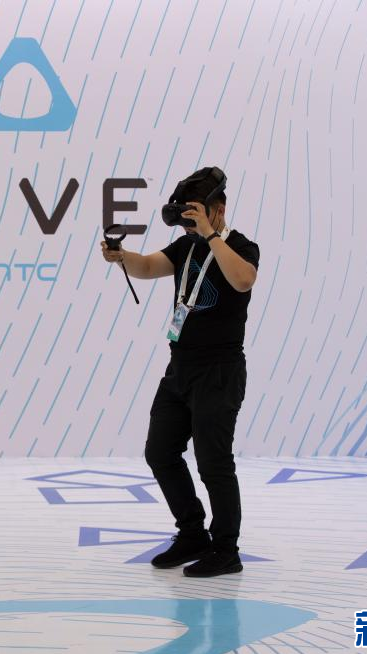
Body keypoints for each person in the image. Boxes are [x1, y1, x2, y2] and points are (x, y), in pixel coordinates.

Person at [100, 167, 259, 578]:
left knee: (213, 462)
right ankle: (192, 533)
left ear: (218, 209)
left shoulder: (241, 246)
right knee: (160, 451)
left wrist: (210, 235)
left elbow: (243, 281)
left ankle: (226, 550)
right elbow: (147, 267)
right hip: (180, 367)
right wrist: (121, 257)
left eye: (197, 214)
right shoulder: (186, 246)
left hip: (219, 370)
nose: (190, 224)